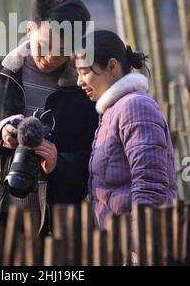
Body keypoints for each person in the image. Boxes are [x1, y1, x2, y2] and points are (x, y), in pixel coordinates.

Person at [0, 0, 98, 234]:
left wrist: (58, 161)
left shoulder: (83, 90)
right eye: (44, 46)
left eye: (62, 52)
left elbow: (96, 159)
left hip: (57, 225)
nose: (50, 58)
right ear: (30, 30)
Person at [76, 30, 178, 229]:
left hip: (138, 247)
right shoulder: (112, 111)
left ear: (112, 66)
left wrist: (139, 248)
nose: (79, 81)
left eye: (85, 72)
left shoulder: (135, 107)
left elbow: (150, 185)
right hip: (118, 244)